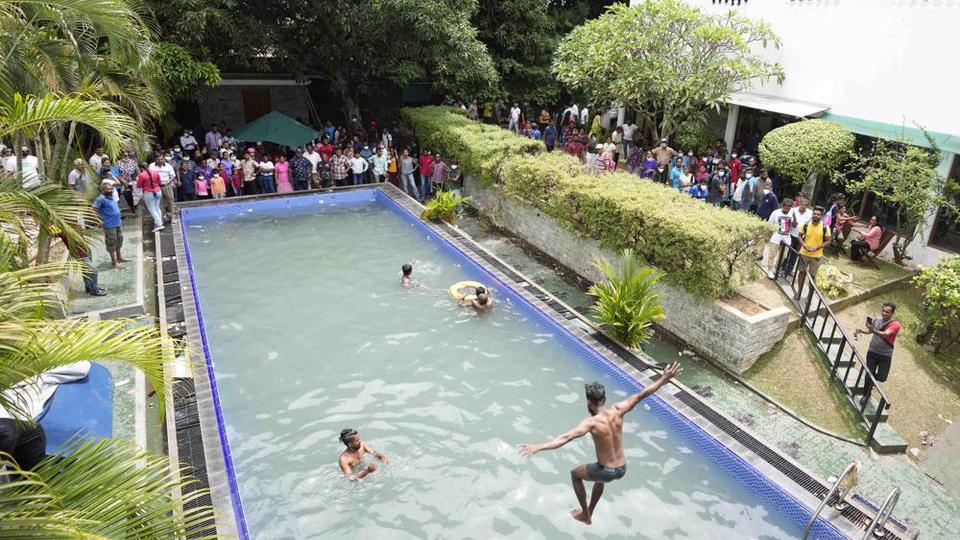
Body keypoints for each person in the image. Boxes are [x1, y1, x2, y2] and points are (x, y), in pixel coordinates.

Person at [520, 363, 683, 526]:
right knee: (598, 475)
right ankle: (589, 512)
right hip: (622, 469)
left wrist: (538, 447)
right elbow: (642, 395)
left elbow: (565, 437)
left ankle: (585, 514)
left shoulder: (591, 423)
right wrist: (664, 378)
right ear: (604, 399)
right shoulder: (619, 410)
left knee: (575, 474)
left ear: (589, 403)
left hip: (606, 471)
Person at [855, 302, 900, 406]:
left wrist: (873, 329)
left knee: (882, 377)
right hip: (872, 352)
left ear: (892, 313)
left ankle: (870, 379)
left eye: (887, 312)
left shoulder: (895, 324)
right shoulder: (876, 319)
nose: (884, 313)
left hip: (885, 355)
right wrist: (863, 330)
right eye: (883, 310)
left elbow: (885, 334)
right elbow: (870, 332)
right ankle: (866, 395)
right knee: (869, 374)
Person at [795, 205, 830, 298]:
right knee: (801, 273)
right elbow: (799, 236)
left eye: (818, 214)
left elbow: (828, 240)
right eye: (814, 213)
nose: (816, 215)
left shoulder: (825, 227)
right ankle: (799, 292)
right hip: (804, 253)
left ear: (821, 216)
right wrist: (803, 244)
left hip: (816, 256)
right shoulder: (805, 225)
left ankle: (809, 296)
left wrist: (818, 247)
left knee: (813, 276)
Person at [92, 180, 127, 267]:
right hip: (109, 225)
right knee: (111, 243)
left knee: (119, 240)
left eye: (111, 189)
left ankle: (119, 257)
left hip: (117, 223)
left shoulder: (112, 196)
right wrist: (98, 220)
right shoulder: (100, 199)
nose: (109, 190)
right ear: (102, 190)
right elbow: (93, 210)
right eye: (107, 189)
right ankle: (114, 262)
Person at [764, 199, 794, 279]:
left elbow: (794, 225)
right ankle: (770, 269)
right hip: (776, 237)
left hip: (786, 238)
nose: (787, 209)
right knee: (772, 254)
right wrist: (767, 235)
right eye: (786, 207)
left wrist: (794, 216)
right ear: (783, 206)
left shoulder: (791, 214)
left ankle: (775, 268)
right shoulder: (776, 212)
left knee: (784, 256)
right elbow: (770, 224)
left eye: (789, 207)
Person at [784, 197, 812, 277]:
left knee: (795, 254)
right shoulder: (793, 210)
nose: (803, 206)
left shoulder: (810, 213)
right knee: (787, 252)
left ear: (807, 206)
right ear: (799, 203)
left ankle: (790, 270)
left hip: (801, 237)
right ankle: (783, 269)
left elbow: (809, 225)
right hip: (791, 234)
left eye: (805, 205)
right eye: (802, 204)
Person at [148, 153, 177, 220]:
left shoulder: (168, 166)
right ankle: (162, 217)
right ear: (155, 160)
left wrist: (169, 181)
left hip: (167, 186)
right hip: (156, 186)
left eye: (161, 159)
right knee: (160, 202)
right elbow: (149, 175)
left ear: (163, 159)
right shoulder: (151, 166)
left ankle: (172, 216)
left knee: (170, 201)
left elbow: (173, 176)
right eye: (158, 159)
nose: (160, 161)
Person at [137, 162, 164, 232]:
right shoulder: (155, 172)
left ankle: (159, 224)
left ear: (141, 168)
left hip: (149, 193)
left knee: (152, 209)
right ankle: (159, 221)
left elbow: (138, 185)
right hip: (158, 191)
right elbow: (159, 182)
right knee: (157, 207)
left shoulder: (142, 175)